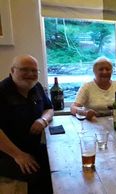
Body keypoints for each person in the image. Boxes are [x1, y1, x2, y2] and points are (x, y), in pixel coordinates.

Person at [0, 55, 54, 194]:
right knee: (33, 174)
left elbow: (49, 108)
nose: (30, 74)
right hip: (7, 153)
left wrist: (42, 120)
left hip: (32, 147)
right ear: (12, 70)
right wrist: (19, 155)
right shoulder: (2, 91)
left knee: (57, 164)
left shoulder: (36, 87)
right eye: (24, 70)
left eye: (34, 70)